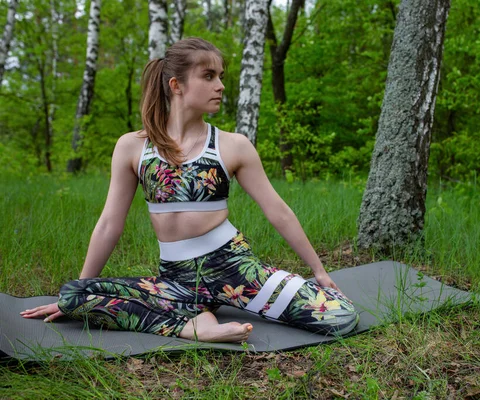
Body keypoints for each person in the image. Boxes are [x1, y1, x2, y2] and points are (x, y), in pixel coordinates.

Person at [21, 37, 359, 343]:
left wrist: (318, 271)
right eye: (209, 76)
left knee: (341, 317)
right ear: (176, 85)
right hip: (176, 281)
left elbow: (278, 211)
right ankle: (196, 325)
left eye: (221, 76)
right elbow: (110, 223)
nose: (221, 86)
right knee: (72, 296)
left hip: (235, 270)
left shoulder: (233, 146)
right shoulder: (132, 147)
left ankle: (193, 320)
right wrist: (81, 293)